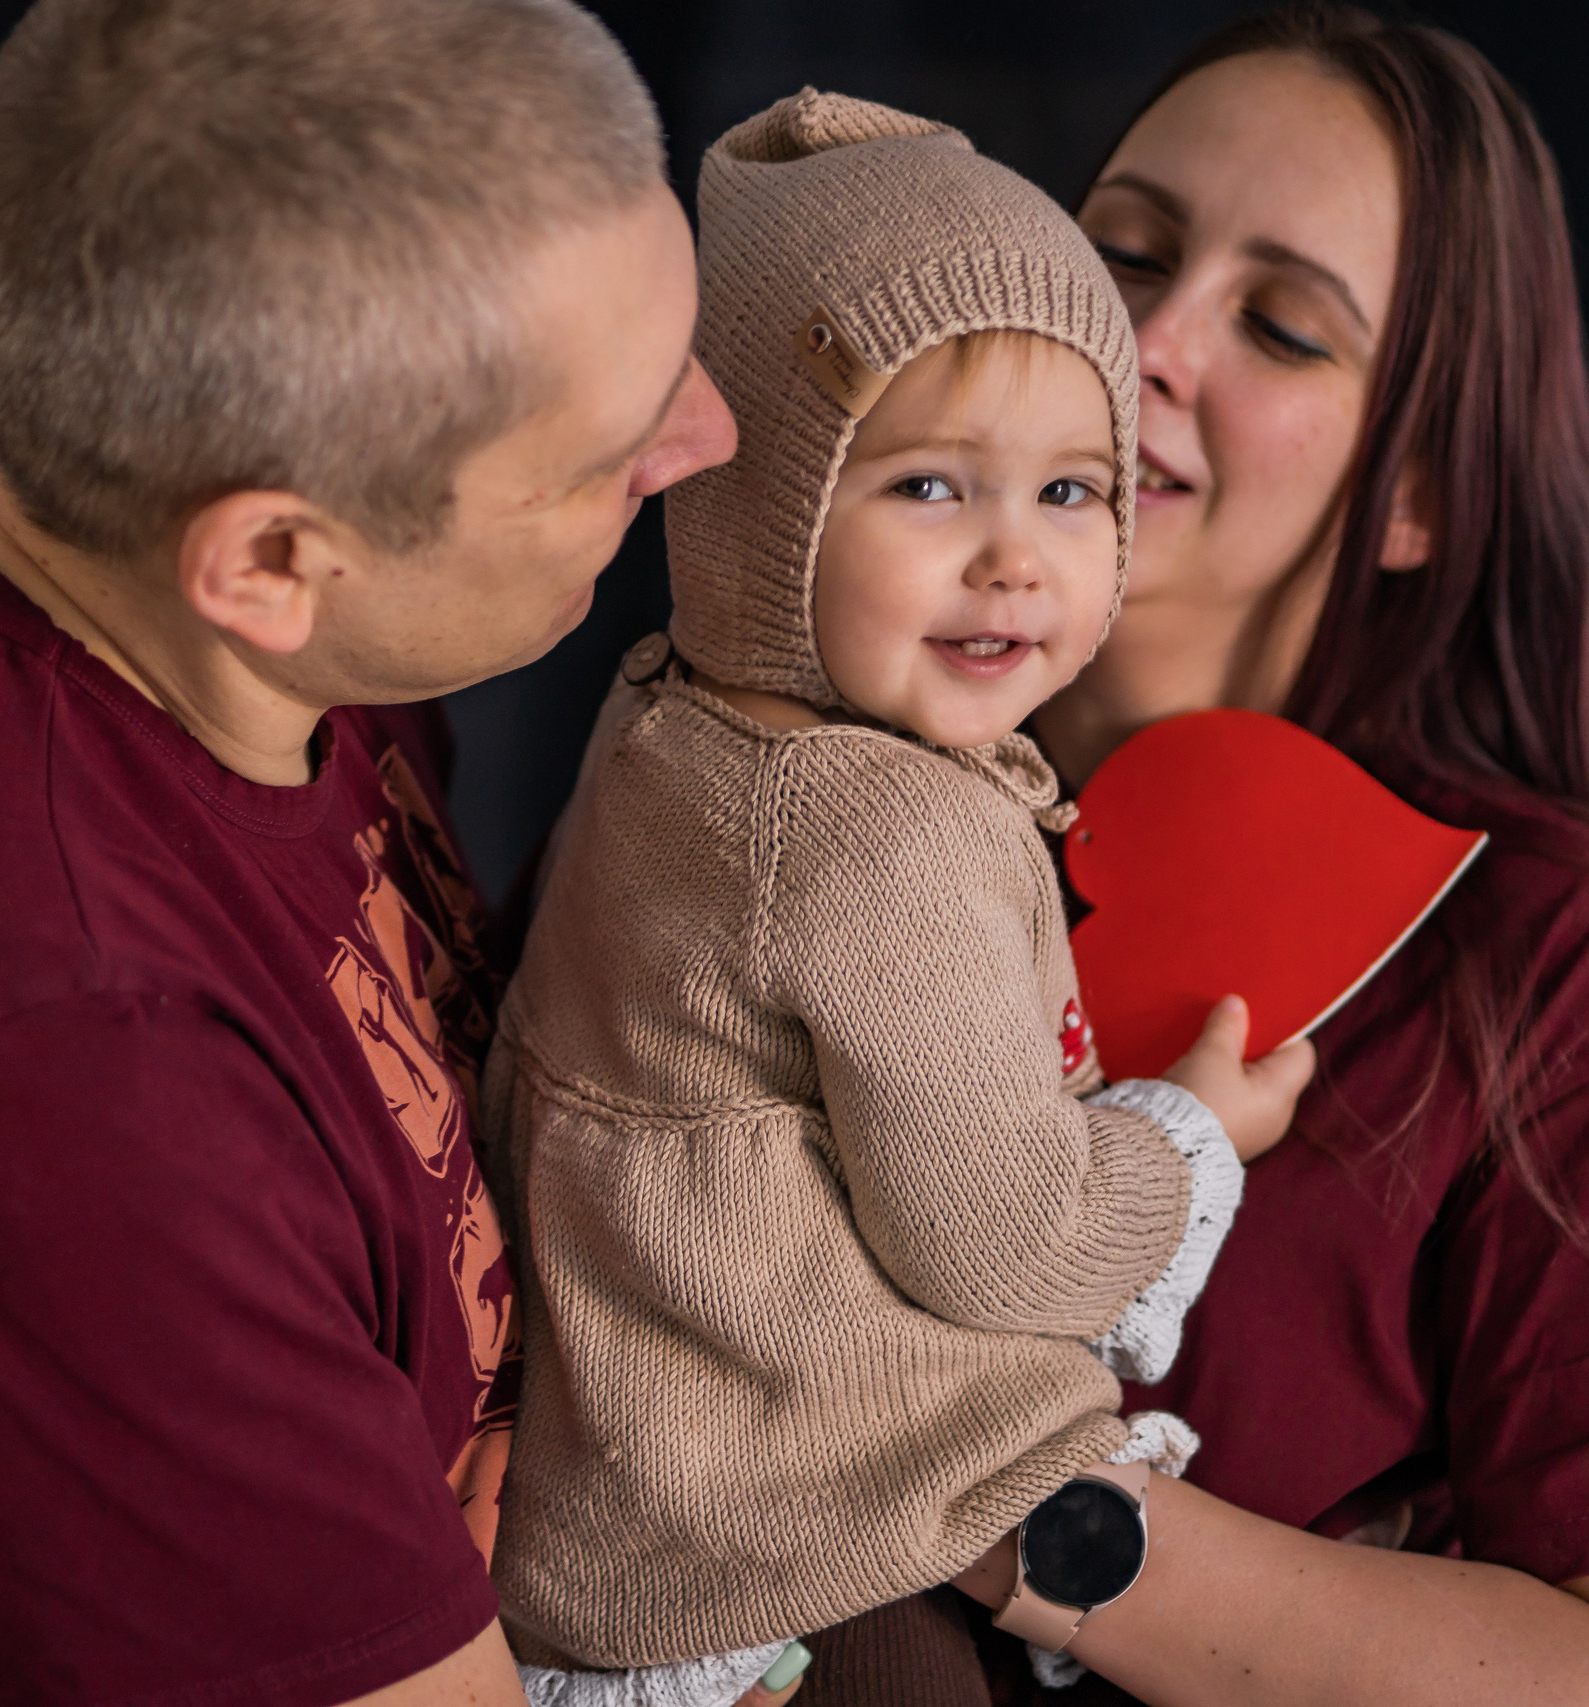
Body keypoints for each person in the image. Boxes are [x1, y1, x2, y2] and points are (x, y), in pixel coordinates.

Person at [0, 1, 739, 1702]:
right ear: (273, 559)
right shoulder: (60, 1073)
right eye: (611, 450)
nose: (711, 436)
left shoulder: (185, 586)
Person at [933, 7, 1589, 1703]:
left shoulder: (1561, 974)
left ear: (1420, 490)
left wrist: (1014, 1515)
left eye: (1282, 327)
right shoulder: (783, 791)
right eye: (1122, 250)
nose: (1146, 337)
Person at [483, 91, 1311, 1707]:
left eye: (1074, 494)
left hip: (652, 1500)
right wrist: (1189, 1136)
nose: (1014, 559)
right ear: (758, 507)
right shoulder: (878, 837)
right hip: (804, 1549)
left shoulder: (675, 720)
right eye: (933, 488)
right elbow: (1002, 1244)